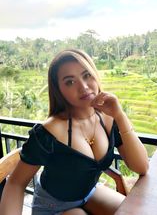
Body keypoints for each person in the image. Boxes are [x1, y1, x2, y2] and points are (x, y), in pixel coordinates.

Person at [0, 49, 149, 215]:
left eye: (87, 75)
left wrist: (120, 116)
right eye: (70, 82)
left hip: (89, 193)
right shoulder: (50, 132)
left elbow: (141, 167)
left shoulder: (108, 118)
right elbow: (16, 184)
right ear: (59, 90)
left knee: (133, 212)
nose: (84, 87)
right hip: (52, 206)